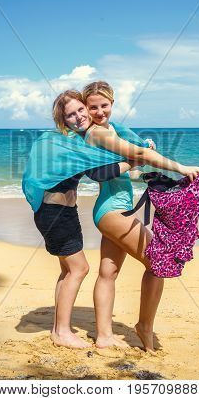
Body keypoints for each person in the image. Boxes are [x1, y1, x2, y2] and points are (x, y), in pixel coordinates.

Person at [81, 81, 199, 352]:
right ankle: (145, 326)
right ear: (86, 109)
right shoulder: (95, 134)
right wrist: (181, 168)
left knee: (108, 272)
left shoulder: (108, 130)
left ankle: (104, 336)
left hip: (115, 208)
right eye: (93, 107)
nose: (100, 111)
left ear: (112, 104)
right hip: (111, 210)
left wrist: (140, 166)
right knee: (158, 261)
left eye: (104, 105)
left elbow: (131, 172)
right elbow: (137, 154)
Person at [32, 90, 136, 349]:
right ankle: (63, 332)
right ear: (62, 120)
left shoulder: (70, 140)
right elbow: (101, 173)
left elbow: (104, 162)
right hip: (55, 213)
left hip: (59, 211)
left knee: (68, 270)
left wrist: (135, 147)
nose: (78, 116)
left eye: (81, 110)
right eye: (71, 114)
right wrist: (135, 160)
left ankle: (59, 329)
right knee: (79, 269)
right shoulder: (69, 143)